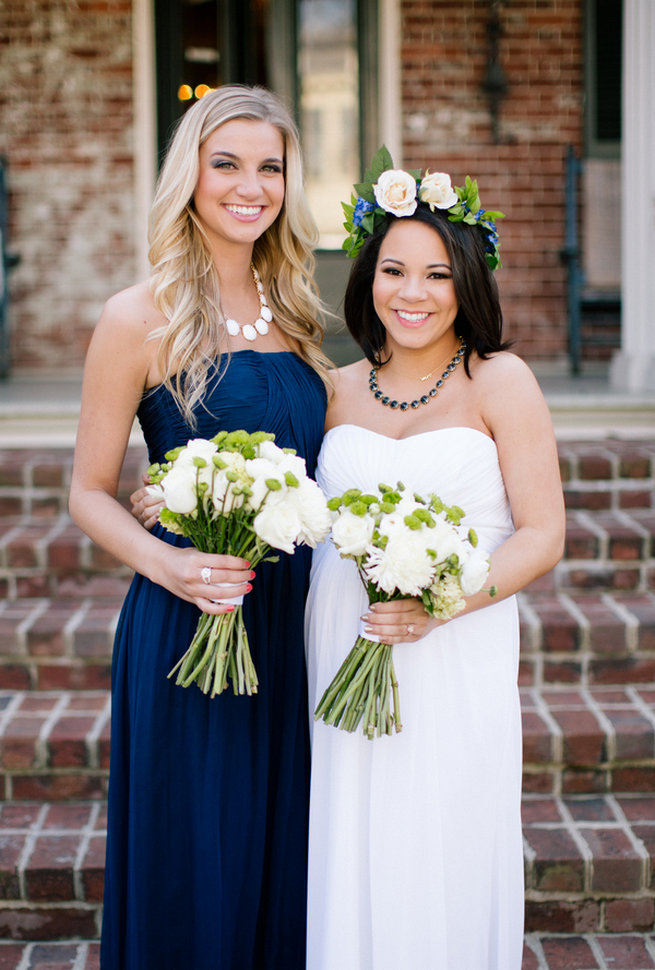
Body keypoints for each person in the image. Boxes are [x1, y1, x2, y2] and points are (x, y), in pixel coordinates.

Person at [69, 84, 331, 970]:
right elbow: (89, 491)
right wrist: (165, 560)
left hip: (290, 617)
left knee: (277, 847)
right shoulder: (136, 317)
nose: (249, 185)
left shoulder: (298, 312)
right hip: (192, 615)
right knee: (198, 848)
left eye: (270, 166)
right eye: (227, 163)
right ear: (190, 176)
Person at [303, 159, 566, 969]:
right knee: (350, 829)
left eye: (436, 274)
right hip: (343, 645)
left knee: (443, 834)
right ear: (366, 277)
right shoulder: (329, 388)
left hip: (454, 648)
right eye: (392, 270)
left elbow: (541, 534)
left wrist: (440, 605)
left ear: (466, 285)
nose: (410, 293)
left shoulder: (502, 381)